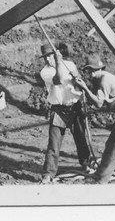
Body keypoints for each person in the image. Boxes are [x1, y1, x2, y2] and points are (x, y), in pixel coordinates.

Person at [72, 54, 115, 184]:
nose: (90, 74)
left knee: (113, 144)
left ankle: (101, 177)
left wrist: (85, 88)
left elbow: (98, 103)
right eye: (88, 71)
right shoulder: (99, 79)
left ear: (100, 69)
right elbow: (101, 102)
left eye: (93, 70)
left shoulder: (104, 81)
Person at [39, 43, 95, 184]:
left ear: (56, 53)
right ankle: (48, 174)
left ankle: (87, 164)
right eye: (45, 57)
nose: (47, 60)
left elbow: (78, 82)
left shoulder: (69, 64)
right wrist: (58, 62)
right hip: (59, 110)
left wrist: (77, 78)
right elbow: (57, 80)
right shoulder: (45, 72)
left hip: (75, 108)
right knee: (54, 143)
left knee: (81, 138)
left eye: (50, 56)